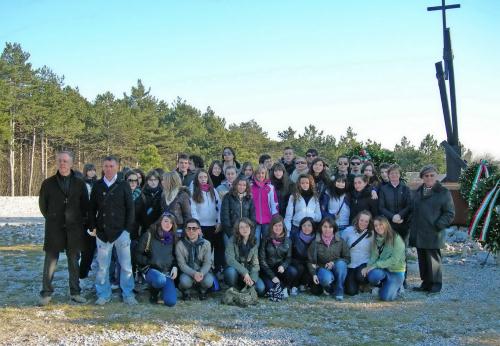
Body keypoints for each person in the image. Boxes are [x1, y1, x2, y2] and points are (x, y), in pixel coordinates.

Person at [38, 151, 89, 306]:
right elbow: (43, 206)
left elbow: (85, 205)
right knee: (50, 261)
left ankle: (75, 292)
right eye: (60, 160)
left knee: (74, 262)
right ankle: (46, 293)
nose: (62, 163)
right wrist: (53, 217)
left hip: (74, 229)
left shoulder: (80, 183)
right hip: (54, 228)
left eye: (65, 161)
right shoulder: (48, 183)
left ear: (71, 163)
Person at [88, 155, 137, 305]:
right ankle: (103, 294)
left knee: (126, 266)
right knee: (103, 267)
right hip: (103, 233)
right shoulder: (97, 186)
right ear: (102, 168)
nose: (109, 169)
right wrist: (93, 227)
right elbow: (91, 209)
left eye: (111, 166)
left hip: (121, 232)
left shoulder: (123, 185)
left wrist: (127, 230)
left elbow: (130, 209)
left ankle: (128, 293)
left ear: (117, 167)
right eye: (106, 166)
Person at [409, 165, 455, 294]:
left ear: (436, 176)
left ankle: (436, 284)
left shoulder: (443, 192)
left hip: (433, 232)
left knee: (433, 260)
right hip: (419, 232)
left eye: (431, 175)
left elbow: (449, 213)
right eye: (426, 175)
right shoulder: (418, 192)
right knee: (422, 259)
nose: (429, 178)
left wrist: (438, 225)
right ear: (422, 177)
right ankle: (426, 283)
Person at [378, 164, 412, 287]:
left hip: (403, 225)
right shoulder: (383, 189)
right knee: (388, 251)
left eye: (396, 173)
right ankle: (387, 278)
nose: (394, 175)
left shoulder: (405, 188)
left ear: (399, 174)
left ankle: (403, 279)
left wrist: (400, 216)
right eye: (391, 173)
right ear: (388, 175)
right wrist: (393, 217)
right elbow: (381, 207)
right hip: (389, 225)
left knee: (402, 252)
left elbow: (409, 205)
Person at [135, 213, 178, 306]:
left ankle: (161, 292)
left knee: (171, 302)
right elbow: (137, 255)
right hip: (151, 271)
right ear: (160, 221)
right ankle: (153, 293)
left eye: (171, 223)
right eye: (166, 221)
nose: (168, 224)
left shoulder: (173, 237)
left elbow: (175, 256)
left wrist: (175, 266)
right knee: (160, 280)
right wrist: (150, 261)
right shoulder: (149, 235)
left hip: (166, 272)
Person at [362, 216, 406, 301]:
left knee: (386, 297)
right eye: (376, 226)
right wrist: (368, 267)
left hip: (396, 271)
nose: (378, 227)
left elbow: (394, 260)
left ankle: (398, 286)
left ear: (386, 225)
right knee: (372, 275)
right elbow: (373, 256)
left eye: (380, 224)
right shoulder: (376, 238)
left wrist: (376, 265)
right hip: (383, 269)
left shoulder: (396, 239)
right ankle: (381, 284)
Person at [190, 170, 224, 275]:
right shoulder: (194, 192)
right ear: (197, 179)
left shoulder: (213, 191)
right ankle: (205, 270)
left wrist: (219, 222)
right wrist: (197, 227)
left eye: (205, 177)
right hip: (202, 227)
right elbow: (193, 210)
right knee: (205, 250)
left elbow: (219, 206)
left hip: (214, 225)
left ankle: (218, 269)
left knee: (218, 247)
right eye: (201, 177)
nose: (203, 179)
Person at [307, 217, 350, 300]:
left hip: (336, 267)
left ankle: (339, 290)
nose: (327, 229)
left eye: (330, 227)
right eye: (325, 227)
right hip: (322, 268)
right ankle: (329, 287)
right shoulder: (315, 242)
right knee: (326, 278)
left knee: (341, 264)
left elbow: (347, 258)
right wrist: (313, 274)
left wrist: (333, 262)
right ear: (321, 228)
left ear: (334, 229)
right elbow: (310, 261)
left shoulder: (340, 241)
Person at [224, 218, 265, 296]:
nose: (244, 229)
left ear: (250, 228)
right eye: (241, 227)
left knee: (261, 288)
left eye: (247, 226)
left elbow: (255, 264)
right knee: (230, 272)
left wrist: (252, 279)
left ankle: (244, 287)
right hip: (236, 271)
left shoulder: (254, 241)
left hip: (248, 273)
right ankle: (233, 288)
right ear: (238, 229)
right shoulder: (232, 240)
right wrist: (244, 272)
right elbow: (230, 260)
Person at [175, 218, 214, 300]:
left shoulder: (206, 244)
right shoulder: (180, 245)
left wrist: (201, 273)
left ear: (199, 230)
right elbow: (182, 265)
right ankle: (186, 292)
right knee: (184, 282)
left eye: (194, 228)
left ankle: (202, 291)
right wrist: (193, 274)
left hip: (201, 272)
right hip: (188, 272)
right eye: (188, 228)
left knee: (209, 281)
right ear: (185, 230)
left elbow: (207, 263)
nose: (191, 231)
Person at [258, 215, 294, 297]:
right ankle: (279, 286)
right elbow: (262, 260)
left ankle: (286, 287)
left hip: (279, 269)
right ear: (272, 227)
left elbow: (288, 258)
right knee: (269, 287)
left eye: (280, 225)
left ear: (283, 226)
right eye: (275, 225)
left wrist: (283, 266)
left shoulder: (288, 241)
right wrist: (272, 276)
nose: (278, 228)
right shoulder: (265, 239)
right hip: (267, 270)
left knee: (292, 271)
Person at [341, 211, 374, 296]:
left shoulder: (372, 234)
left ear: (369, 223)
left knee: (360, 276)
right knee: (351, 292)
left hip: (364, 263)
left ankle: (364, 283)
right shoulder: (348, 231)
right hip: (351, 264)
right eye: (361, 220)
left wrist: (370, 266)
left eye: (366, 221)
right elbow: (341, 246)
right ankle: (356, 285)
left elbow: (374, 252)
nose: (363, 223)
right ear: (357, 220)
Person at [289, 217, 322, 296]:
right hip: (296, 262)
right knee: (300, 268)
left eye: (309, 225)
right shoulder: (294, 236)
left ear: (313, 227)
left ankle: (304, 284)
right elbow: (290, 253)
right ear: (300, 227)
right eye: (304, 225)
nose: (306, 228)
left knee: (316, 291)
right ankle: (294, 285)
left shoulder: (317, 238)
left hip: (310, 263)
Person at [221, 177, 256, 244]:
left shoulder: (249, 198)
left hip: (245, 232)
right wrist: (231, 234)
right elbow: (224, 217)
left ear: (247, 186)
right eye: (239, 184)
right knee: (230, 253)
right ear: (235, 185)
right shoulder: (227, 197)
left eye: (244, 185)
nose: (241, 187)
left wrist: (250, 233)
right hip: (231, 232)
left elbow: (253, 217)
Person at [251, 165, 279, 244]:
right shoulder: (250, 187)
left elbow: (274, 204)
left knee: (266, 241)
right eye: (258, 173)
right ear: (255, 174)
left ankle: (265, 256)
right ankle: (256, 256)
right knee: (256, 242)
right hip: (254, 220)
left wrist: (275, 218)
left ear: (266, 174)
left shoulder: (270, 187)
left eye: (263, 173)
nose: (260, 175)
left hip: (267, 220)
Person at [80, 163, 98, 279]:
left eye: (93, 170)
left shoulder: (98, 183)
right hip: (85, 220)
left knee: (94, 250)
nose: (92, 172)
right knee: (87, 249)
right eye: (89, 170)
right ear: (86, 171)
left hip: (97, 218)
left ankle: (89, 269)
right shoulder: (82, 184)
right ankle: (83, 273)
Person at [161, 171, 192, 235]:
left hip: (179, 231)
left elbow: (187, 216)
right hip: (165, 230)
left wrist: (185, 233)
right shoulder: (163, 195)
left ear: (171, 181)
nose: (162, 182)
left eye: (164, 180)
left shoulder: (183, 195)